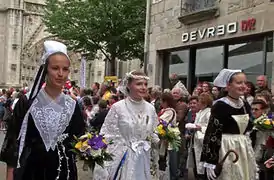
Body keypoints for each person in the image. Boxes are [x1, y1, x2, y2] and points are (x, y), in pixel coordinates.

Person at [0, 40, 86, 180]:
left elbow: (78, 138)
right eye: (55, 68)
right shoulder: (27, 101)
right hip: (31, 170)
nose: (60, 74)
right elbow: (14, 140)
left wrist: (91, 147)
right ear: (45, 69)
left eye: (65, 69)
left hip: (62, 171)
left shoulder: (72, 104)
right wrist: (10, 175)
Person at [93, 71, 160, 180]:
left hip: (144, 158)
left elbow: (153, 133)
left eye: (145, 84)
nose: (143, 87)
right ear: (129, 85)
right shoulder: (118, 107)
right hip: (124, 159)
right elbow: (108, 136)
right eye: (139, 84)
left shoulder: (150, 108)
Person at [200, 69, 257, 180]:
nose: (243, 86)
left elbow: (249, 126)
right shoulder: (220, 105)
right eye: (239, 83)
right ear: (228, 85)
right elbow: (212, 133)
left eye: (245, 83)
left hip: (243, 147)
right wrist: (211, 161)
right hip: (226, 147)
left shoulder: (244, 104)